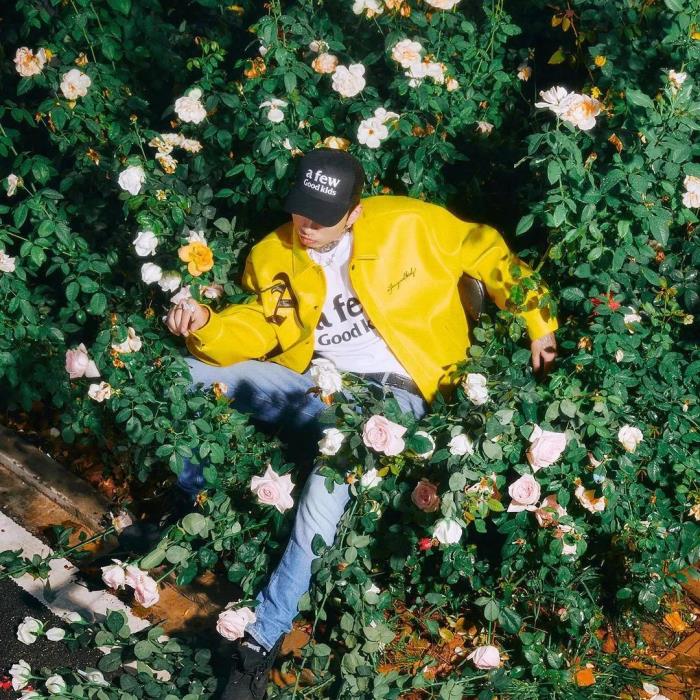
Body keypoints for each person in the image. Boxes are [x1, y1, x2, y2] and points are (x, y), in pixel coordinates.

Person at [165, 148, 558, 700]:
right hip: (317, 390)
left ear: (354, 212)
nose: (306, 225)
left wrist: (539, 322)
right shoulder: (274, 253)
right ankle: (189, 503)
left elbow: (488, 250)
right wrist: (207, 323)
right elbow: (262, 325)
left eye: (323, 217)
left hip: (394, 403)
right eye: (300, 210)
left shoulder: (409, 223)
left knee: (322, 494)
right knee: (184, 372)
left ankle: (259, 644)